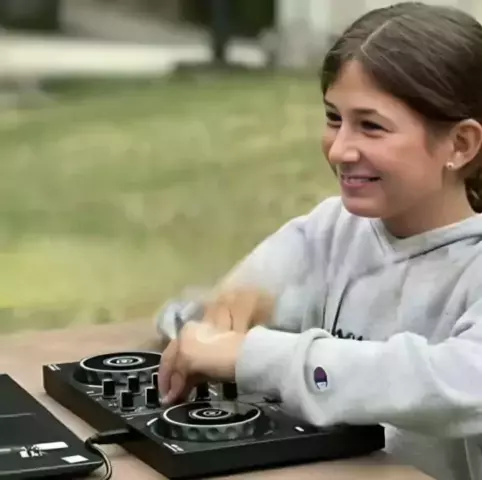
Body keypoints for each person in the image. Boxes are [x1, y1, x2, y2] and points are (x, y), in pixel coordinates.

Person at [156, 3, 482, 480]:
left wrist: (251, 355)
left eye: (371, 126)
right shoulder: (330, 230)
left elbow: (459, 379)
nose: (340, 149)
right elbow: (195, 326)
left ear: (461, 144)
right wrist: (217, 316)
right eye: (334, 118)